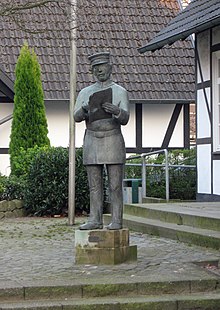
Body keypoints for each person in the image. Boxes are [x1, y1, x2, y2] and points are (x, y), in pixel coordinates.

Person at [74, 52, 129, 230]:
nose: (99, 71)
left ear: (110, 68)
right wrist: (84, 110)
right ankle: (95, 219)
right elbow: (76, 117)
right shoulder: (85, 92)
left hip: (112, 138)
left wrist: (116, 111)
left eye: (102, 68)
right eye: (96, 69)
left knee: (114, 185)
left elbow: (126, 118)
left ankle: (117, 220)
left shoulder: (120, 91)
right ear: (92, 71)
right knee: (94, 186)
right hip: (92, 140)